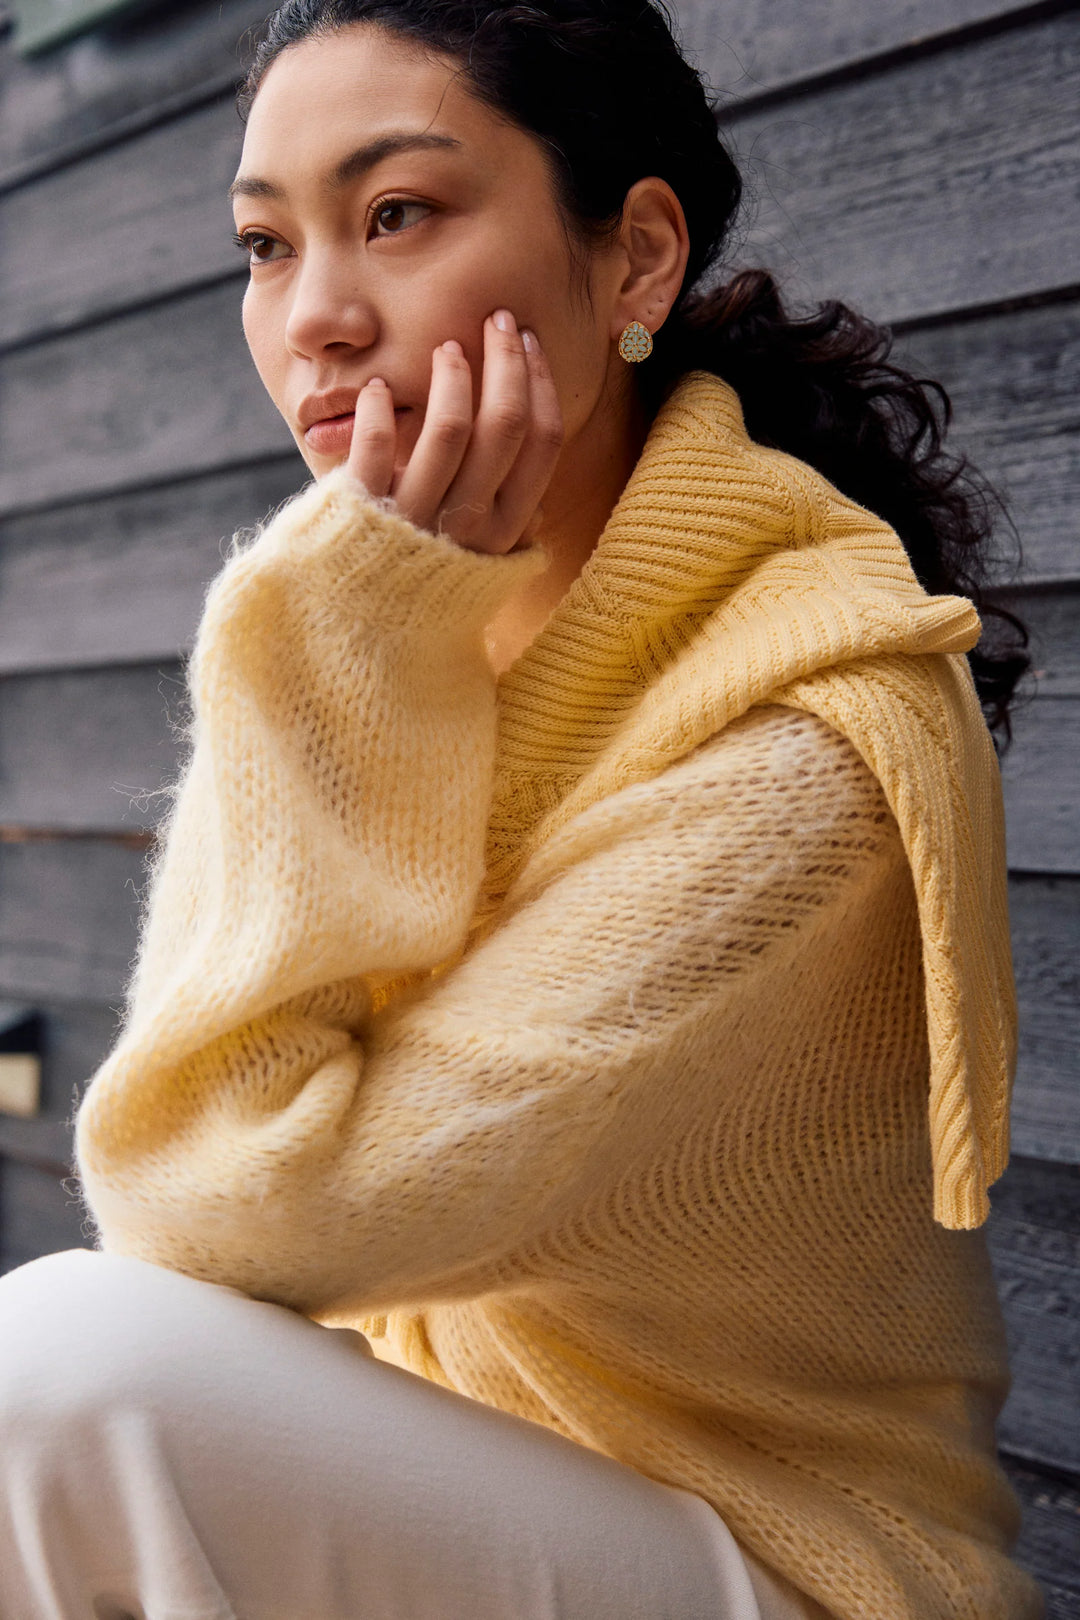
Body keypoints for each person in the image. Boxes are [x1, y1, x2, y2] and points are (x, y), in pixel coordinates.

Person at [0, 2, 1042, 1617]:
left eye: (397, 214)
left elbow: (218, 1208)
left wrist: (329, 642)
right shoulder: (393, 633)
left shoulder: (810, 744)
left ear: (633, 260)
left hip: (781, 1566)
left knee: (56, 1375)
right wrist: (348, 637)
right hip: (452, 1493)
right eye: (266, 247)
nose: (317, 319)